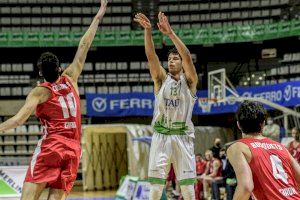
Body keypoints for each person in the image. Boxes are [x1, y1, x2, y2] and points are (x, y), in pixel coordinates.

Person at [0, 1, 107, 199]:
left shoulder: (40, 92)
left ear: (40, 72)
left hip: (52, 147)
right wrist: (98, 16)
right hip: (73, 149)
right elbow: (84, 45)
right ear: (59, 68)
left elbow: (18, 120)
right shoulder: (71, 77)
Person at [134, 12, 198, 200]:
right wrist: (148, 31)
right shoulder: (161, 80)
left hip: (183, 136)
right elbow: (151, 56)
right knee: (155, 187)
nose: (171, 60)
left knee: (187, 190)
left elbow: (186, 55)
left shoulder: (190, 81)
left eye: (175, 58)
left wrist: (170, 33)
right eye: (169, 58)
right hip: (161, 136)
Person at [227, 101, 300, 200]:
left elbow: (246, 187)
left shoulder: (238, 147)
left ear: (238, 125)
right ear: (263, 124)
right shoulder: (281, 147)